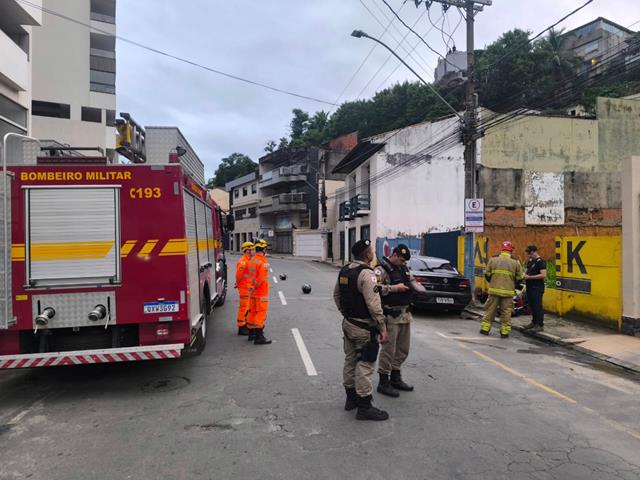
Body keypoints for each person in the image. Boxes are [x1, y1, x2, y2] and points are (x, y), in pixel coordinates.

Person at [333, 239, 390, 421]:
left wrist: (346, 314)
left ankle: (351, 400)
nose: (373, 252)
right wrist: (382, 327)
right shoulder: (367, 274)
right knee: (365, 363)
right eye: (371, 250)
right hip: (364, 328)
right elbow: (374, 305)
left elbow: (336, 295)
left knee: (350, 360)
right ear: (367, 254)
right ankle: (364, 406)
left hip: (348, 324)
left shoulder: (345, 270)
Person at [374, 244, 426, 397]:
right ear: (395, 255)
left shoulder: (403, 268)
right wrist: (394, 288)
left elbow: (412, 280)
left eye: (405, 261)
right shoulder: (381, 270)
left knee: (403, 349)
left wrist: (419, 288)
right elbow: (375, 288)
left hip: (405, 314)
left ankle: (396, 378)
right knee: (388, 350)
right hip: (391, 315)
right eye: (402, 260)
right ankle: (383, 381)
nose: (404, 263)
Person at [480, 241, 525, 338]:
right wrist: (513, 284)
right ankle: (504, 332)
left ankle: (485, 328)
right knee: (506, 312)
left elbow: (487, 274)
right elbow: (520, 277)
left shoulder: (493, 259)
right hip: (508, 292)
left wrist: (493, 282)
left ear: (502, 249)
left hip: (494, 290)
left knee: (490, 310)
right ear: (511, 250)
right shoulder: (515, 262)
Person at [247, 239, 271, 345]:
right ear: (264, 249)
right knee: (261, 313)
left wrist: (251, 287)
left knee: (252, 312)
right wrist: (255, 286)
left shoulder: (252, 260)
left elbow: (249, 276)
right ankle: (259, 337)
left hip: (252, 291)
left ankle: (251, 334)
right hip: (261, 291)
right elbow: (261, 278)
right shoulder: (262, 261)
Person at [523, 245, 547, 333]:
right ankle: (534, 322)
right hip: (530, 287)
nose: (529, 255)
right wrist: (524, 275)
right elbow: (527, 271)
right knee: (532, 306)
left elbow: (543, 275)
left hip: (537, 288)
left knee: (537, 306)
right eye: (529, 253)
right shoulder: (530, 261)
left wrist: (530, 277)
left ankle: (540, 325)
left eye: (531, 253)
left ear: (535, 251)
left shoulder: (541, 262)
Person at [235, 242, 254, 336]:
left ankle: (245, 324)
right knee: (243, 308)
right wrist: (237, 283)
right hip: (244, 288)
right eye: (252, 249)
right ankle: (241, 327)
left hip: (247, 288)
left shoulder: (248, 260)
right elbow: (238, 275)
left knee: (247, 307)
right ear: (247, 250)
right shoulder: (243, 261)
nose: (253, 251)